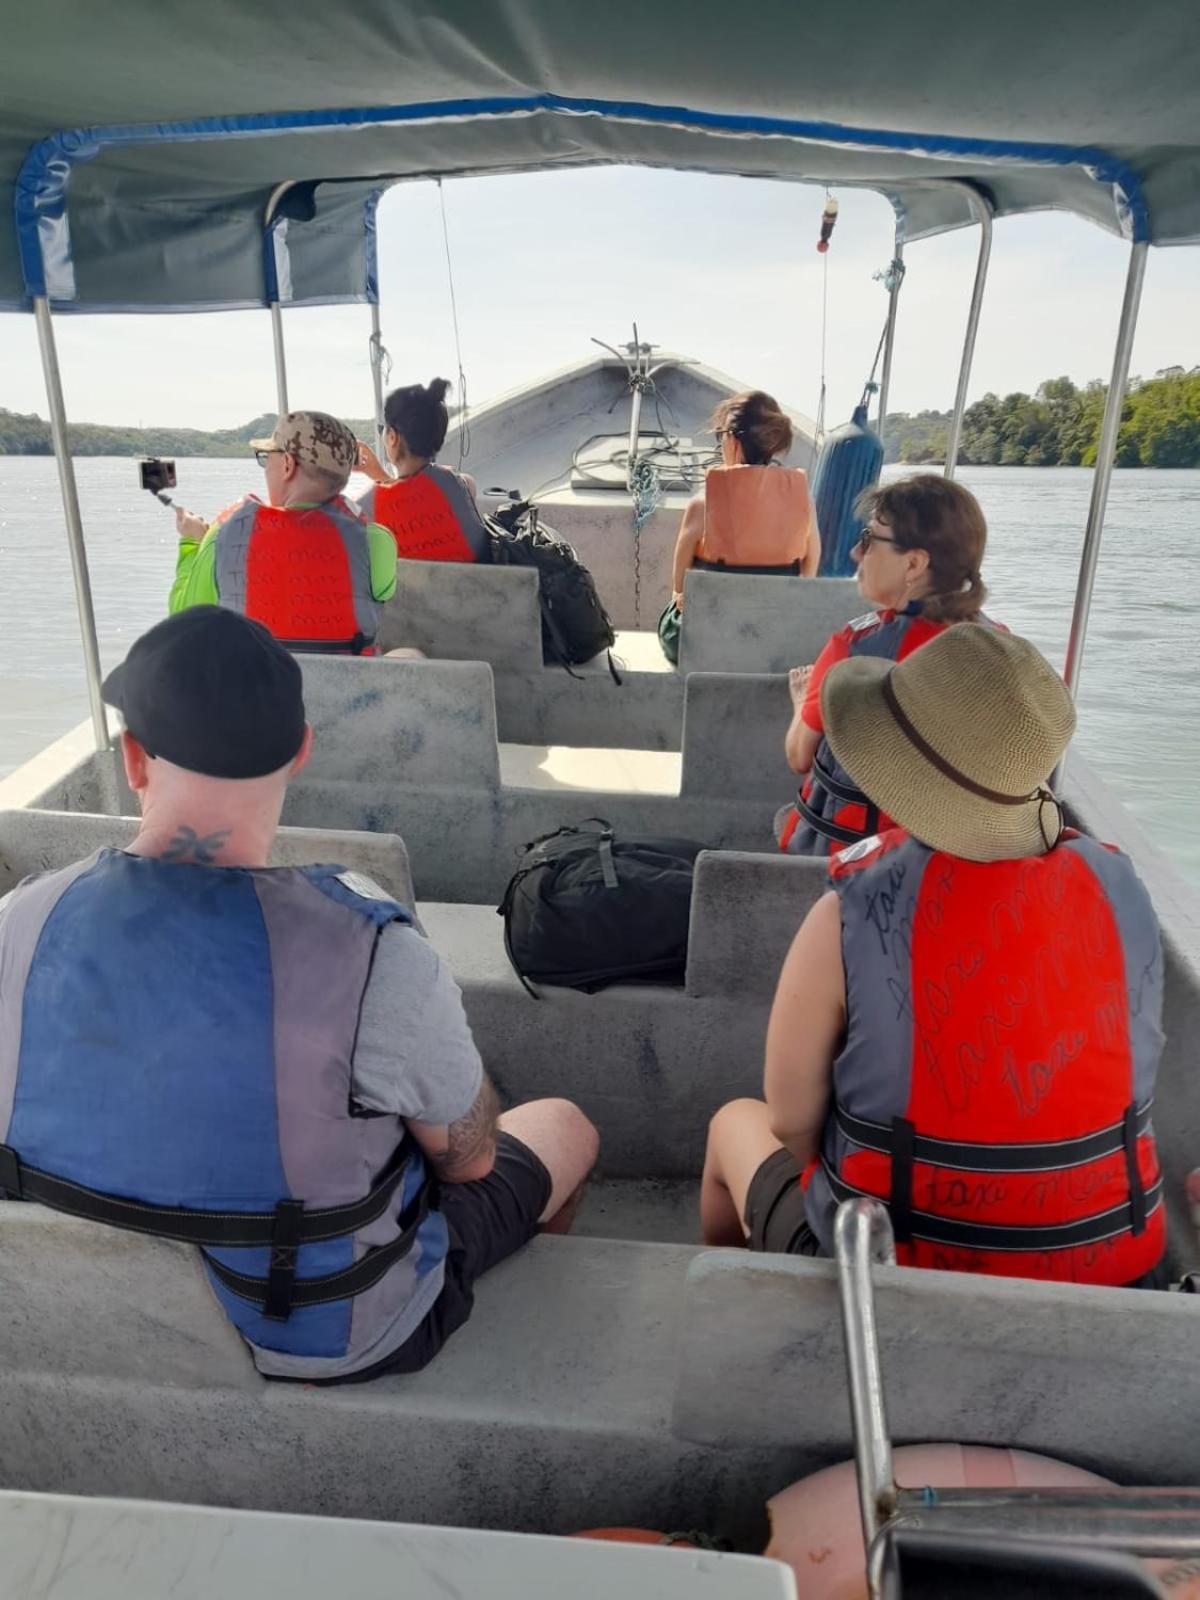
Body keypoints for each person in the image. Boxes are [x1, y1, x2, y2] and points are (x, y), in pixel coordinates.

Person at [0, 608, 599, 1382]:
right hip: (314, 1335)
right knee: (562, 1125)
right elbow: (471, 1162)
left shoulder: (23, 916)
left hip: (67, 1310)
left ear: (134, 758)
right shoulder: (372, 950)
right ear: (301, 752)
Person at [702, 624, 1167, 1290]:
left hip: (891, 1280)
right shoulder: (1124, 892)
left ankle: (762, 1328)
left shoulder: (847, 911)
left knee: (734, 1125)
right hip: (1113, 1279)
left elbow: (791, 1121)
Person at [777, 473, 994, 855]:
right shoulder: (1002, 647)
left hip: (855, 863)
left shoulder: (855, 648)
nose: (856, 554)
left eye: (869, 540)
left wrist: (800, 704)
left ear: (914, 564)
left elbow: (799, 756)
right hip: (954, 861)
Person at [170, 411, 397, 654]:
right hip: (347, 689)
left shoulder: (223, 535)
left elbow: (182, 618)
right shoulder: (377, 541)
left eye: (267, 458)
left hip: (251, 689)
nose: (266, 467)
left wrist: (193, 544)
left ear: (288, 465)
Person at [659, 390, 820, 664]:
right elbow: (809, 570)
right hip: (773, 637)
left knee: (670, 623)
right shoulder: (803, 500)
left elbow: (680, 590)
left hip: (710, 639)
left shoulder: (702, 504)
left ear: (732, 440)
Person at [355, 378, 493, 563]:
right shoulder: (465, 484)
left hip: (407, 592)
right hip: (473, 589)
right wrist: (378, 473)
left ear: (392, 437)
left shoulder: (368, 503)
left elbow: (398, 503)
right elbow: (416, 496)